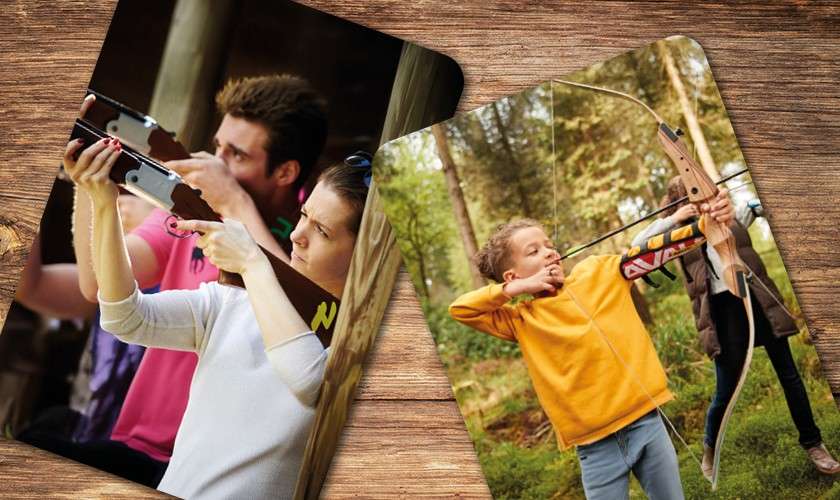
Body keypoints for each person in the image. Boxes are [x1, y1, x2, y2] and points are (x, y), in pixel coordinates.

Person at [62, 74, 328, 486]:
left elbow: (305, 315)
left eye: (237, 155)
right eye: (218, 146)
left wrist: (234, 203)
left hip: (225, 470)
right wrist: (91, 187)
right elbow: (98, 286)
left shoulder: (306, 245)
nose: (216, 163)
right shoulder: (190, 210)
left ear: (286, 172)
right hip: (143, 445)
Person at [448, 190, 732, 500]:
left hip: (646, 423)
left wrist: (707, 224)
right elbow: (461, 309)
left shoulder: (598, 272)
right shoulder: (520, 319)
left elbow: (648, 254)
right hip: (595, 448)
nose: (548, 252)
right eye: (533, 251)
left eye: (549, 245)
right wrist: (515, 290)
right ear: (512, 276)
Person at [631, 176, 840, 477]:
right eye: (695, 197)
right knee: (725, 391)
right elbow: (638, 246)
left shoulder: (730, 214)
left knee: (789, 375)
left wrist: (741, 205)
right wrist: (677, 218)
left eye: (705, 192)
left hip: (755, 299)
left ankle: (814, 444)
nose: (704, 201)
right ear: (684, 203)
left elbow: (766, 208)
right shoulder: (678, 236)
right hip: (722, 313)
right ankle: (710, 447)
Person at [15, 194, 154, 446]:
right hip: (89, 436)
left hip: (146, 455)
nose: (122, 201)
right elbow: (29, 285)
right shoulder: (106, 282)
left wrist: (151, 224)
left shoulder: (187, 277)